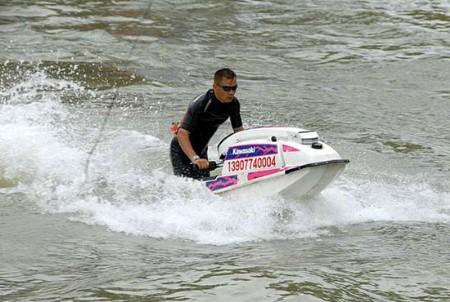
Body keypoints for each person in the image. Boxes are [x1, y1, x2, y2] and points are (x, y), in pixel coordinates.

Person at [170, 68, 244, 179]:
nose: (231, 92)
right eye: (226, 88)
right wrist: (195, 158)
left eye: (234, 88)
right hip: (182, 150)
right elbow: (182, 133)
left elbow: (238, 132)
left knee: (204, 186)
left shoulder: (234, 104)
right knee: (189, 188)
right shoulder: (201, 104)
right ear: (215, 87)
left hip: (202, 151)